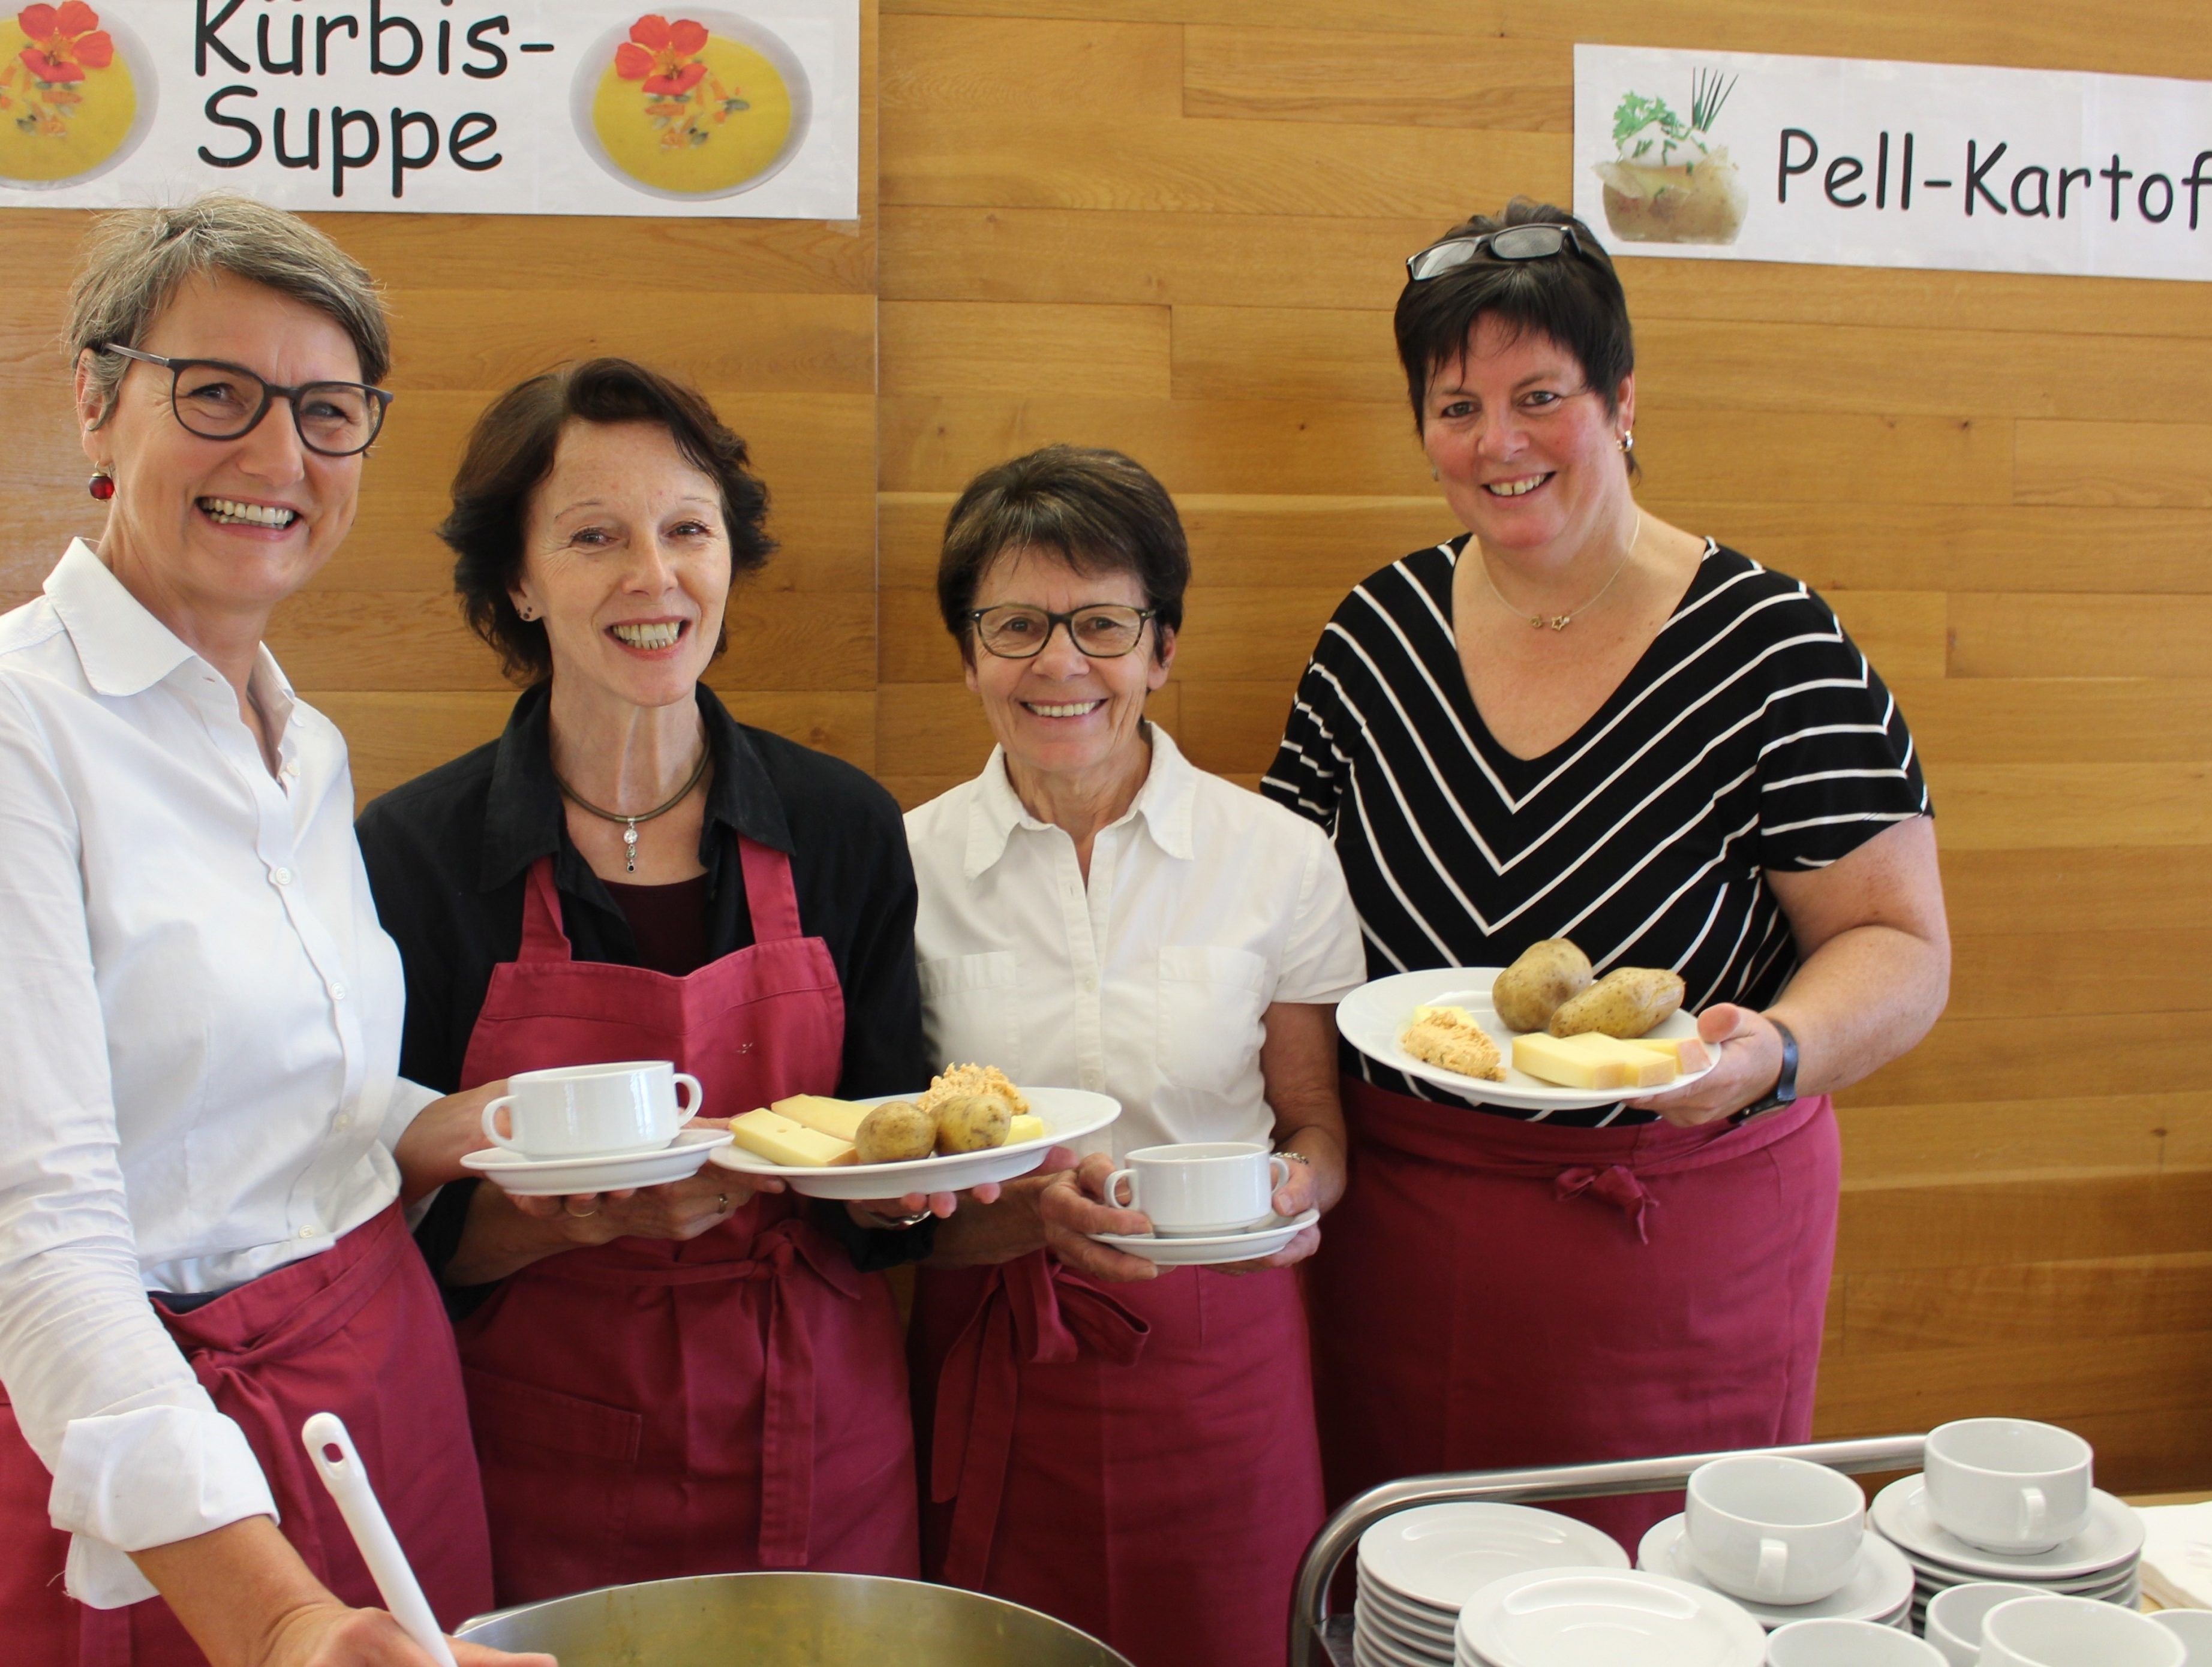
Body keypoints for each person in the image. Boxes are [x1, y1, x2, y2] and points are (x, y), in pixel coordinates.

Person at [1262, 200, 1952, 1548]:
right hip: (1396, 1237)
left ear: (1620, 399)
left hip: (1677, 1241)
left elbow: (1899, 942)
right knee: (1403, 1580)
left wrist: (1779, 1047)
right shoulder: (1373, 634)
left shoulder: (1769, 642)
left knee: (1658, 1590)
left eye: (1539, 397)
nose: (1496, 444)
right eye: (1455, 408)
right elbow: (1278, 918)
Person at [0, 197, 546, 1667]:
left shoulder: (299, 740)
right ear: (98, 401)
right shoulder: (19, 731)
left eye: (327, 409)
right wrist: (286, 1622)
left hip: (381, 1382)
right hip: (162, 1460)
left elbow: (272, 1096)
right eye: (217, 393)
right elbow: (39, 1232)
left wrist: (459, 1128)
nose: (277, 456)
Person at [356, 357, 971, 1607]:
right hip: (541, 1452)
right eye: (594, 537)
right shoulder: (415, 854)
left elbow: (879, 1150)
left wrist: (910, 1195)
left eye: (688, 529)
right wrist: (543, 1222)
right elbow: (377, 1227)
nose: (654, 576)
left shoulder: (839, 823)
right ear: (518, 579)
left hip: (823, 1426)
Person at [903, 446, 1366, 1667]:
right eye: (1014, 624)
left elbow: (1313, 1124)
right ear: (966, 652)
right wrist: (1005, 1215)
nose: (1059, 664)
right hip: (989, 1330)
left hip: (1222, 1348)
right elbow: (884, 1160)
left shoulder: (1275, 857)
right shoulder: (898, 867)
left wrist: (1297, 1190)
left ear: (1161, 649)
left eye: (1102, 624)